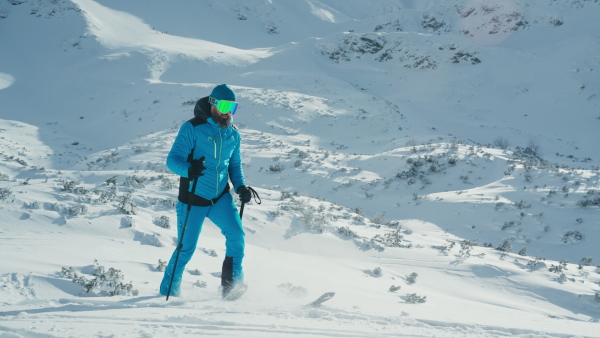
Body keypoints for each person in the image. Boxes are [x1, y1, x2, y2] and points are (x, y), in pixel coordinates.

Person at [159, 84, 253, 299]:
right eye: (224, 105)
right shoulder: (192, 128)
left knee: (237, 237)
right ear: (213, 103)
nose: (228, 111)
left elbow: (234, 166)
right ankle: (168, 294)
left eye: (233, 107)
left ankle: (232, 288)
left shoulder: (233, 133)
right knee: (185, 249)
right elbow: (172, 160)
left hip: (220, 198)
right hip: (193, 198)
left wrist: (241, 187)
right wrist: (189, 169)